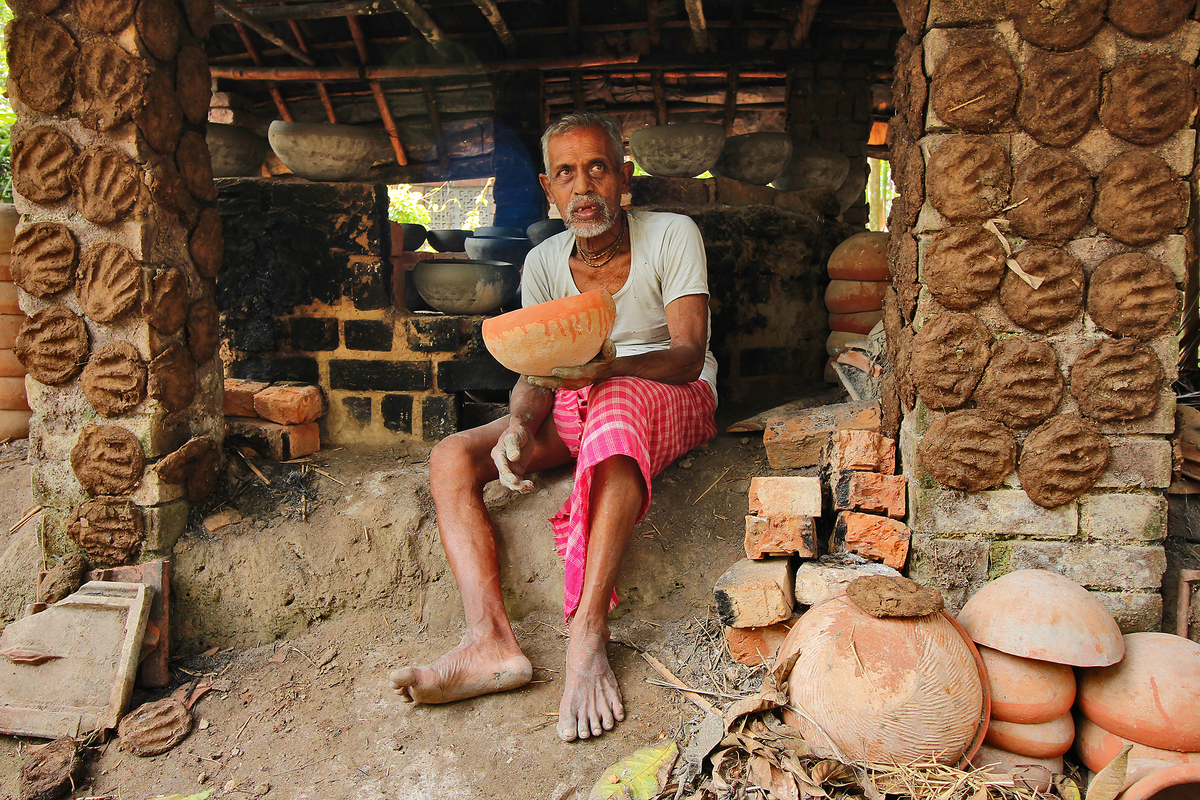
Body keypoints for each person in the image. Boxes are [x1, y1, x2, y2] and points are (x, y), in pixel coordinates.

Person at [390, 112, 718, 742]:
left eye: (598, 167)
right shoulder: (542, 262)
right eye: (566, 173)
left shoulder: (673, 234)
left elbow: (686, 351)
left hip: (674, 394)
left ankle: (588, 633)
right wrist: (516, 423)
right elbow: (538, 374)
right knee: (453, 457)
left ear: (624, 177)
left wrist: (605, 366)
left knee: (616, 401)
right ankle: (489, 641)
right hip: (583, 405)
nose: (583, 185)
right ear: (548, 188)